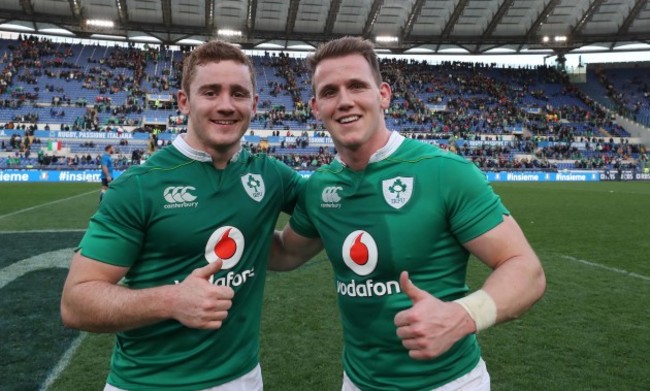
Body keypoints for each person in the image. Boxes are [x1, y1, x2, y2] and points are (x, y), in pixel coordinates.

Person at [270, 36, 546, 391]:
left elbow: (526, 269)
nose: (345, 101)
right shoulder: (320, 187)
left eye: (357, 86)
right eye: (329, 92)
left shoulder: (445, 171)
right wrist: (203, 234)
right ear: (314, 106)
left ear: (383, 94)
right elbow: (287, 251)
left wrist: (463, 315)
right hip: (356, 381)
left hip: (448, 383)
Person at [61, 40, 304, 391]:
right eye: (210, 92)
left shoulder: (271, 175)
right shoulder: (139, 187)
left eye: (238, 93)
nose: (226, 105)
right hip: (148, 383)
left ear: (255, 103)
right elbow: (76, 302)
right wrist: (171, 300)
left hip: (244, 379)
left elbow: (327, 210)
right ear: (184, 102)